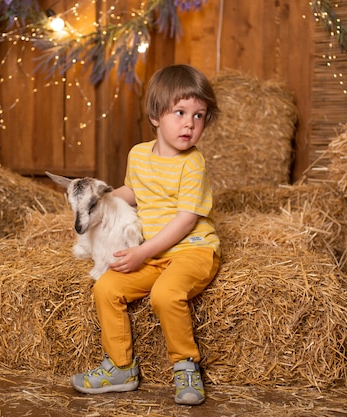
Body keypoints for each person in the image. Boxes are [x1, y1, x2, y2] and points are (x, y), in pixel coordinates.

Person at [70, 64, 221, 406]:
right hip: (153, 253)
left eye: (199, 116)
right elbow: (133, 192)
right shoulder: (138, 154)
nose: (189, 124)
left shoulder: (192, 164)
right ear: (155, 116)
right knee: (107, 287)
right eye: (180, 112)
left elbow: (185, 221)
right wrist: (97, 200)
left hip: (192, 251)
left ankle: (185, 364)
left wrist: (141, 253)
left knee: (165, 295)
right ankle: (120, 367)